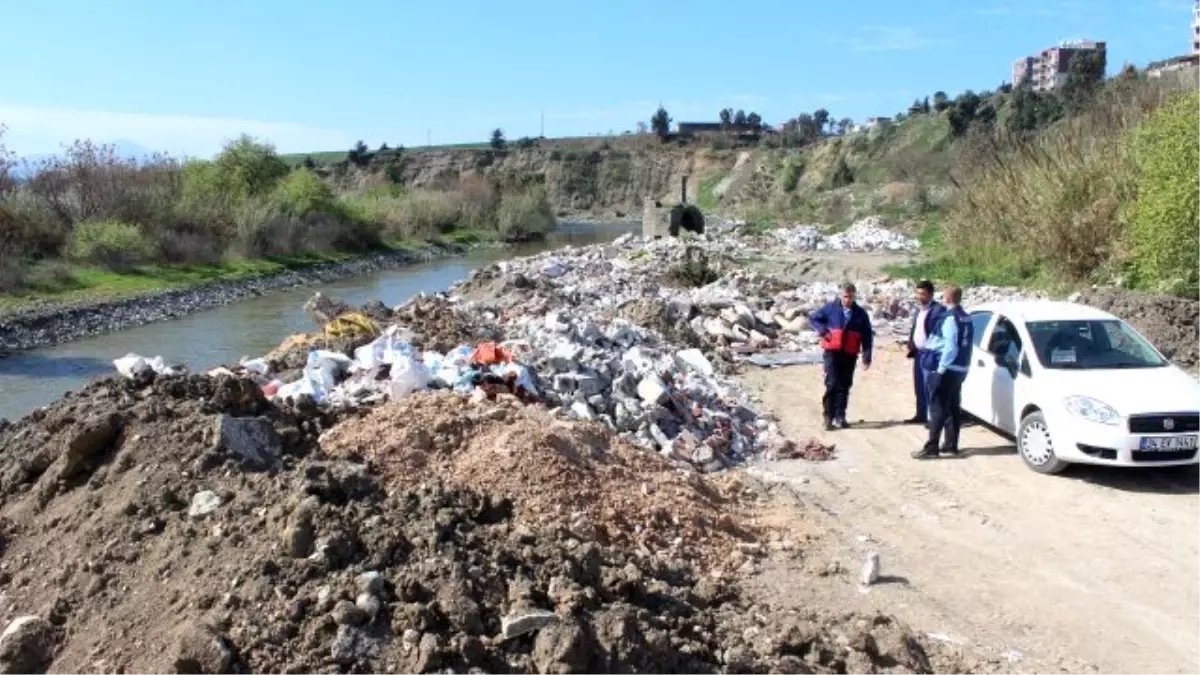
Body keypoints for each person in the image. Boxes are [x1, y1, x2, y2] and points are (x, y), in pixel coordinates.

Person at [913, 284, 974, 459]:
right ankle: (951, 444)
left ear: (947, 298)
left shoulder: (950, 318)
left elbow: (950, 347)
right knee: (953, 407)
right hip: (961, 368)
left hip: (946, 368)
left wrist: (940, 370)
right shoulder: (966, 317)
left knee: (938, 408)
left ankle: (932, 447)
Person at [809, 282, 875, 431]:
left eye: (851, 297)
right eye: (845, 297)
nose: (848, 300)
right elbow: (814, 319)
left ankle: (840, 416)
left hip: (850, 353)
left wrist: (867, 356)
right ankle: (828, 417)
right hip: (832, 352)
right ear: (840, 295)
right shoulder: (831, 308)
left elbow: (867, 336)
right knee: (832, 383)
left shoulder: (860, 313)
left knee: (845, 384)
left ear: (854, 296)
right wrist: (823, 331)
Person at [905, 280, 943, 425]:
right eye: (918, 293)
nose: (919, 297)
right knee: (919, 385)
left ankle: (931, 418)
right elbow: (916, 328)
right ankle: (920, 414)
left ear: (931, 295)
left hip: (930, 354)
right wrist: (911, 341)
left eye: (923, 294)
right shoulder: (919, 310)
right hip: (918, 353)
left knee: (929, 387)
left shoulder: (938, 311)